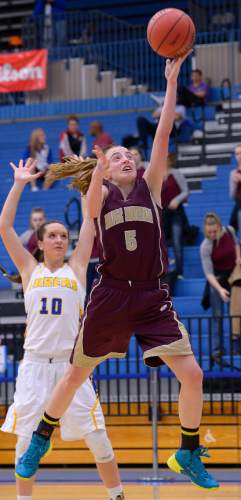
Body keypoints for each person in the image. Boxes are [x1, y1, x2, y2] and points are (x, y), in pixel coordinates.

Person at [16, 54, 219, 490]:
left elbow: (162, 132)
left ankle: (186, 451)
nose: (127, 158)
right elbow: (89, 211)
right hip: (110, 295)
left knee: (193, 374)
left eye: (130, 154)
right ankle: (40, 438)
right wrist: (96, 170)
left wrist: (171, 82)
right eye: (117, 156)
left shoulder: (149, 187)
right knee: (76, 374)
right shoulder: (102, 198)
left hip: (150, 296)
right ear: (106, 170)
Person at [0, 158, 125, 500]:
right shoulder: (29, 269)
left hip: (73, 370)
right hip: (36, 367)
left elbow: (90, 218)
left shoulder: (78, 268)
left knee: (99, 439)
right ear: (40, 243)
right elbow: (5, 227)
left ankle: (117, 495)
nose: (59, 240)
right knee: (26, 443)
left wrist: (96, 175)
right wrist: (19, 184)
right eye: (52, 236)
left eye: (62, 236)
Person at [200, 213, 241, 357]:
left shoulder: (229, 230)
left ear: (219, 227)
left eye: (214, 231)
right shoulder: (205, 246)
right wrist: (221, 290)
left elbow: (236, 244)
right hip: (217, 280)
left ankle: (236, 347)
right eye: (208, 232)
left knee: (236, 312)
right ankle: (217, 350)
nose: (211, 234)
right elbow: (209, 274)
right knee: (217, 315)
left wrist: (238, 257)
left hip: (233, 277)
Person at [162, 152, 189, 278]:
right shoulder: (156, 176)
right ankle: (166, 270)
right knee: (162, 243)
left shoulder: (176, 173)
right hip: (163, 213)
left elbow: (185, 191)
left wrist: (177, 200)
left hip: (176, 212)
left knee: (177, 241)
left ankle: (179, 271)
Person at [229, 144, 241, 237]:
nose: (239, 156)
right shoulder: (233, 173)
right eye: (237, 154)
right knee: (231, 229)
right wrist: (235, 183)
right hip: (239, 204)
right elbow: (232, 196)